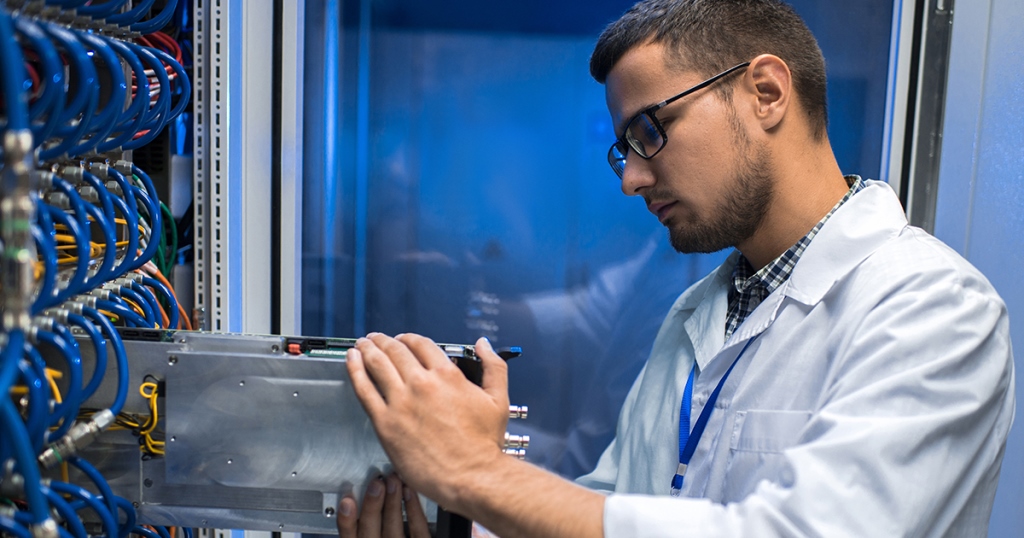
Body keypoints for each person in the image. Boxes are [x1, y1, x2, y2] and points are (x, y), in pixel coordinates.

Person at [335, 0, 1016, 536]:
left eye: (649, 132)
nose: (631, 179)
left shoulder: (934, 308)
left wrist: (477, 475)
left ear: (766, 92)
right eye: (623, 148)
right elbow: (614, 502)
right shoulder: (697, 315)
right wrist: (459, 525)